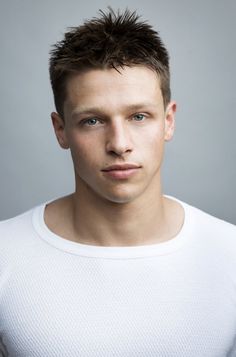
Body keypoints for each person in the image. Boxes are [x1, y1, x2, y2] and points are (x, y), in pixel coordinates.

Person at [0, 8, 235, 357]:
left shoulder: (230, 253)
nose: (119, 143)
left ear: (168, 121)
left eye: (139, 116)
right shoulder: (5, 255)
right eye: (93, 121)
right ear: (60, 130)